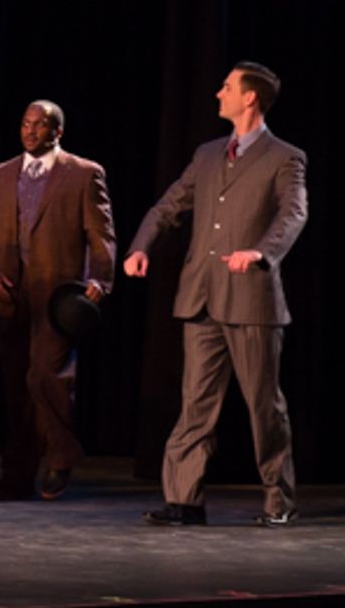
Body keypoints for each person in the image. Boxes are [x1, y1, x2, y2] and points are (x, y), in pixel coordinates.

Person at [126, 62, 306, 528]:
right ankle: (184, 500)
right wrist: (141, 246)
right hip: (202, 296)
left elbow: (293, 214)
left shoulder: (285, 157)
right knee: (195, 403)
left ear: (250, 98)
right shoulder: (208, 154)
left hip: (251, 299)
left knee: (263, 404)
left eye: (226, 87)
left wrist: (262, 253)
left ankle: (278, 500)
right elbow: (169, 205)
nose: (217, 93)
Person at [0, 100, 116, 501]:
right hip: (10, 297)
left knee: (45, 377)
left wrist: (100, 278)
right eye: (25, 124)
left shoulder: (83, 174)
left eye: (40, 125)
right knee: (17, 390)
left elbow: (101, 235)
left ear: (57, 132)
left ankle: (62, 454)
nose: (30, 131)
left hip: (57, 297)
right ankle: (16, 476)